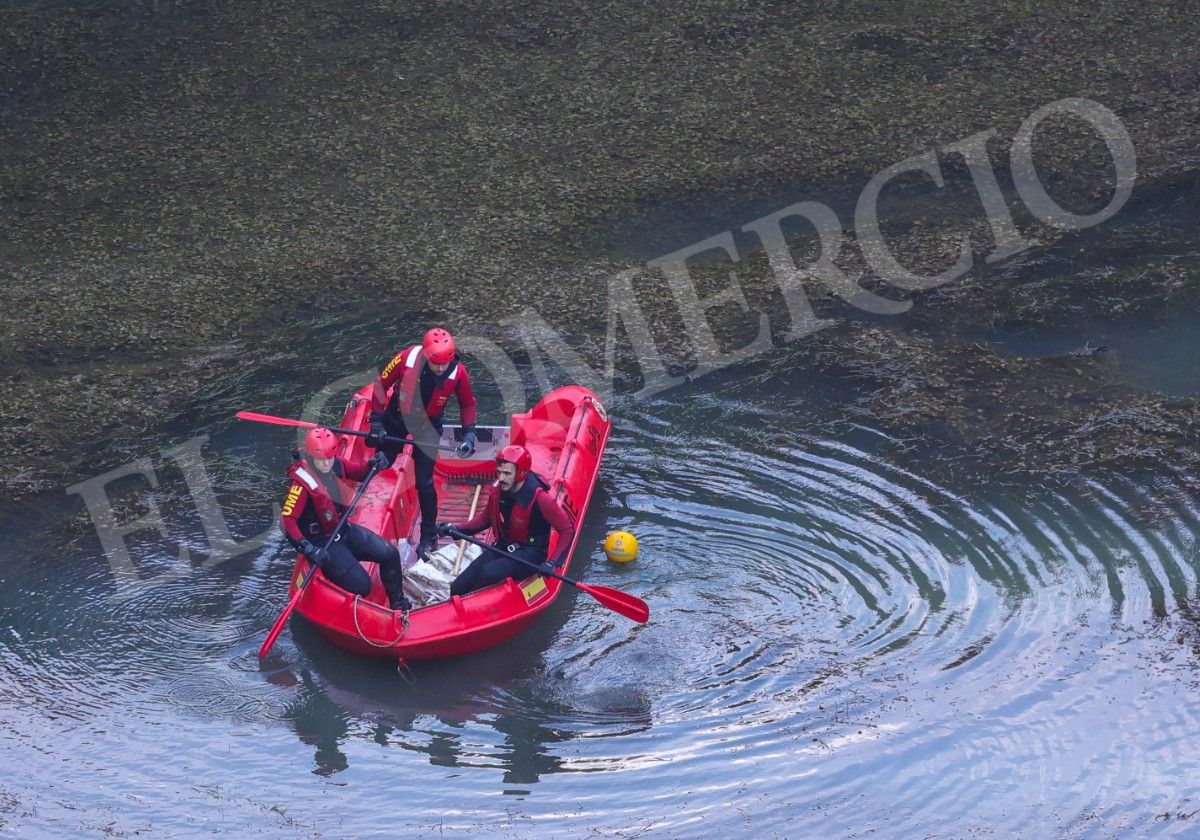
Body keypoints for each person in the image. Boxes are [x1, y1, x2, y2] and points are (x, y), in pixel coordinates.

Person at [366, 327, 478, 559]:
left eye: (443, 365)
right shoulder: (406, 358)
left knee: (424, 482)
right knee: (380, 462)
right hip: (396, 418)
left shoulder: (458, 373)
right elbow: (380, 385)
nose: (439, 369)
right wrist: (377, 423)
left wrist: (468, 436)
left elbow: (467, 404)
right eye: (435, 363)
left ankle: (428, 535)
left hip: (428, 427)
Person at [280, 427, 411, 611]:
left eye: (329, 457)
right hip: (325, 543)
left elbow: (359, 472)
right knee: (362, 586)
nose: (326, 463)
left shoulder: (336, 463)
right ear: (311, 457)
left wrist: (374, 463)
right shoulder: (301, 485)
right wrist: (308, 549)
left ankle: (399, 604)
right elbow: (287, 521)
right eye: (321, 459)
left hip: (343, 530)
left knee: (390, 553)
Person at [436, 444, 575, 598]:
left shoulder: (541, 498)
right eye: (499, 472)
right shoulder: (499, 490)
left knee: (488, 573)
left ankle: (474, 606)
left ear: (521, 473)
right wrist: (456, 529)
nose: (501, 478)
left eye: (507, 473)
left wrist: (553, 563)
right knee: (458, 587)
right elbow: (486, 518)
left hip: (531, 554)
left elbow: (567, 529)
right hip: (504, 546)